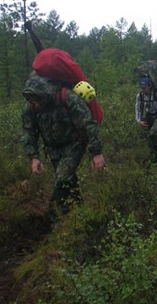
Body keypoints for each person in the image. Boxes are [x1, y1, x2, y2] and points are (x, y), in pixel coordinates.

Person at [21, 73, 106, 224]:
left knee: (61, 178)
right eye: (31, 100)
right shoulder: (31, 107)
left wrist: (96, 153)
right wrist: (34, 157)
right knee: (68, 181)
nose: (34, 104)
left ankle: (51, 220)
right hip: (53, 149)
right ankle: (80, 213)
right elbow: (29, 132)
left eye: (36, 99)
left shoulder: (66, 98)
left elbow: (88, 124)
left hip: (74, 144)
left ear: (43, 94)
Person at [135, 76, 157, 163]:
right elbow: (138, 108)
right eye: (141, 88)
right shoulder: (140, 96)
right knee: (150, 138)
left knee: (152, 134)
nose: (143, 90)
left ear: (149, 86)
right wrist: (138, 120)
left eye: (144, 88)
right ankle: (155, 156)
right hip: (148, 116)